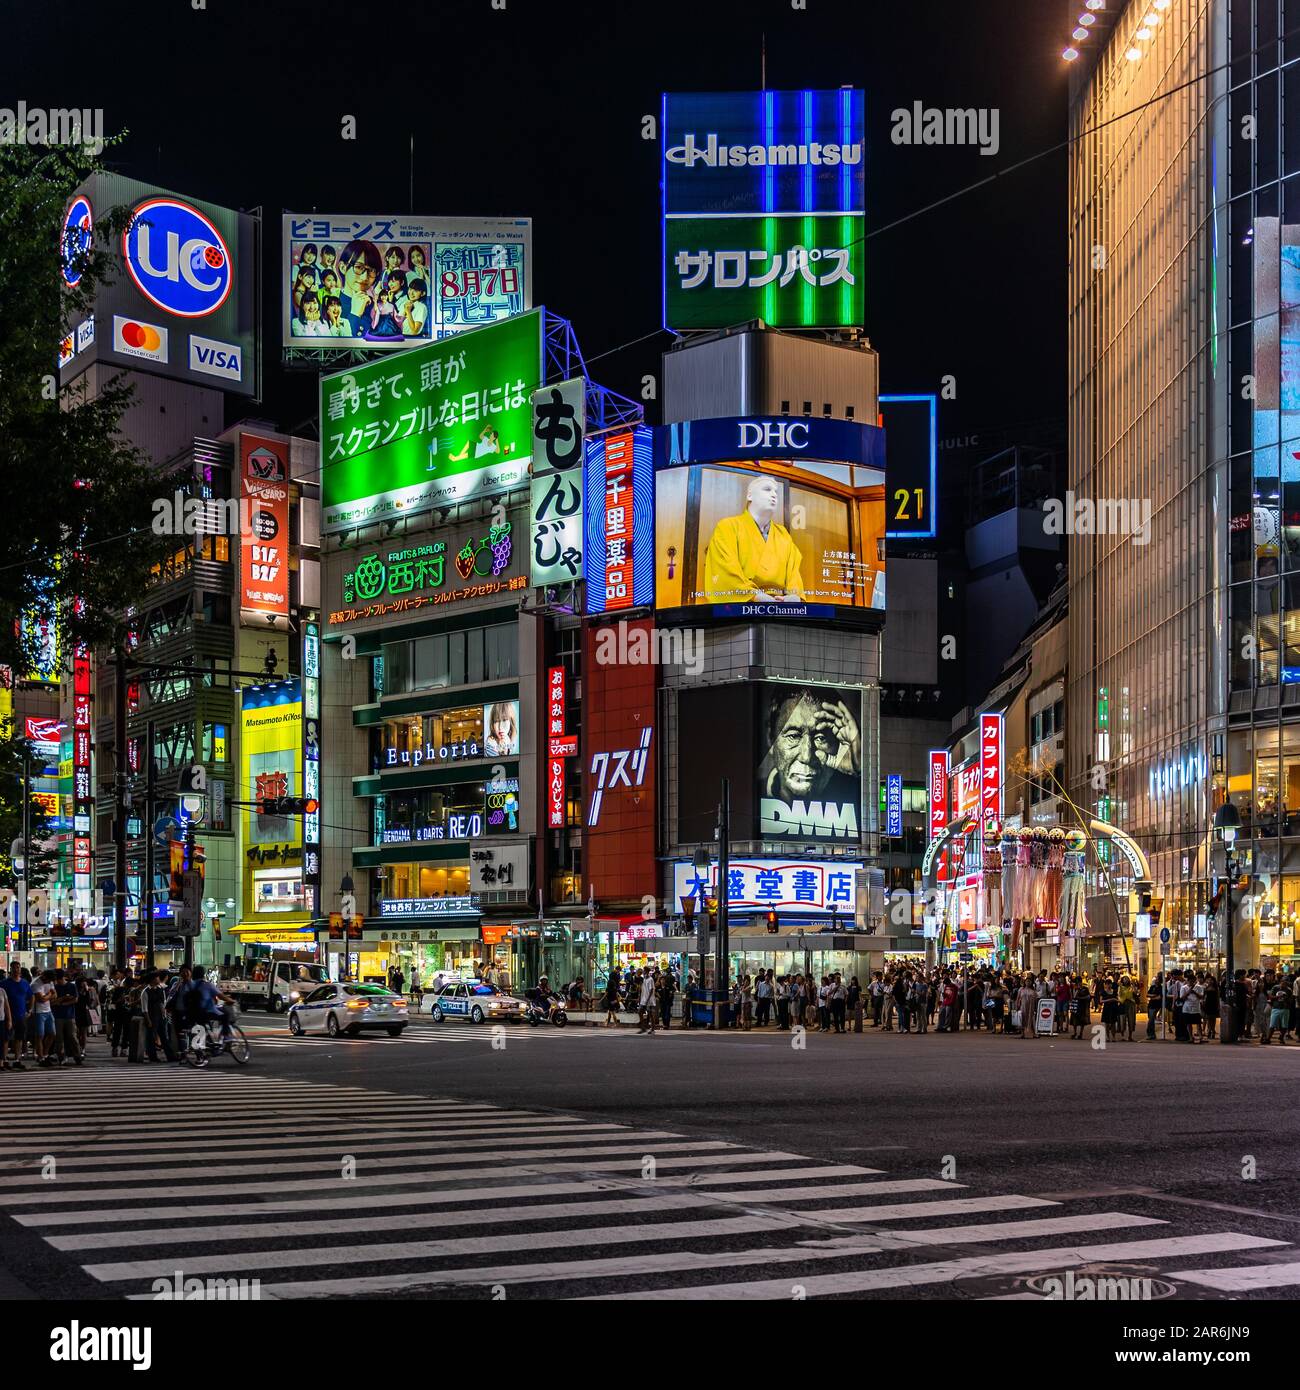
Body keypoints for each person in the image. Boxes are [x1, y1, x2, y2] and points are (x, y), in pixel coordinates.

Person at [703, 475, 805, 603]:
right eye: (767, 489)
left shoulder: (783, 534)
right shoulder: (728, 526)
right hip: (744, 608)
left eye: (776, 492)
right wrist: (755, 595)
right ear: (749, 496)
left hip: (782, 608)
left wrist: (795, 596)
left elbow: (793, 572)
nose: (773, 495)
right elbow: (724, 570)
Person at [1, 960, 30, 1070]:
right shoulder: (4, 983)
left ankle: (17, 1059)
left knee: (19, 1038)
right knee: (6, 1038)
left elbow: (31, 996)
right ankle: (4, 1059)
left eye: (18, 967)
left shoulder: (24, 983)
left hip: (21, 1015)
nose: (16, 970)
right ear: (10, 969)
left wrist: (29, 1010)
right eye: (14, 968)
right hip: (8, 1016)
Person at [141, 971, 175, 1063]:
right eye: (157, 977)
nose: (159, 979)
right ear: (152, 979)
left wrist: (164, 1015)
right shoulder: (146, 992)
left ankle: (170, 1056)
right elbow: (144, 1008)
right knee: (151, 1038)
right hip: (151, 1016)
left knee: (164, 1037)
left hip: (160, 1016)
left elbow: (163, 1003)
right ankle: (153, 1057)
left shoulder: (160, 989)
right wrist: (148, 1020)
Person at [50, 969, 82, 1065]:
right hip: (58, 1016)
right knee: (59, 1038)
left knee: (72, 1036)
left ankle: (77, 1055)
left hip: (69, 1015)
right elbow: (52, 1002)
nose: (57, 981)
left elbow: (75, 999)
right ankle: (61, 1056)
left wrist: (63, 1003)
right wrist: (64, 999)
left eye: (58, 979)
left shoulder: (71, 986)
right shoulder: (55, 987)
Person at [31, 969, 56, 1064]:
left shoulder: (50, 981)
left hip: (48, 1010)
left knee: (52, 1034)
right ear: (44, 977)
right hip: (38, 1012)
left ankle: (45, 1054)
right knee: (40, 1035)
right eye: (48, 981)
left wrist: (47, 996)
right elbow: (40, 999)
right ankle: (41, 1057)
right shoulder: (35, 984)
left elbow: (55, 995)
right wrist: (49, 994)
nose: (49, 983)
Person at [637, 969, 658, 1035]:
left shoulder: (650, 979)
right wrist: (640, 998)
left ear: (647, 972)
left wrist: (648, 999)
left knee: (651, 1014)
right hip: (643, 999)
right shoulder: (644, 979)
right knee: (640, 1011)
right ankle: (643, 1028)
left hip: (650, 1000)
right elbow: (642, 990)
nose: (643, 973)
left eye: (644, 972)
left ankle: (652, 1029)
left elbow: (651, 990)